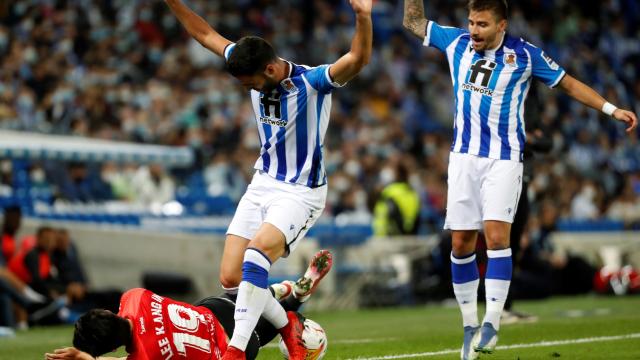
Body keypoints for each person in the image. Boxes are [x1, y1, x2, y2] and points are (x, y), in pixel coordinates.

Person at [402, 0, 638, 358]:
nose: (474, 30)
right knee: (461, 244)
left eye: (482, 24)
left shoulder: (526, 56)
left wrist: (610, 109)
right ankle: (469, 325)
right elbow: (413, 20)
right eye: (470, 22)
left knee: (497, 237)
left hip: (504, 159)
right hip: (463, 157)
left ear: (502, 26)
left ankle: (493, 321)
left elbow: (569, 84)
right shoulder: (455, 42)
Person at [164, 1, 371, 359]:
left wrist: (362, 17)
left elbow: (356, 60)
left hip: (300, 191)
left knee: (256, 257)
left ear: (271, 68)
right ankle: (289, 320)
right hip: (263, 182)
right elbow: (204, 34)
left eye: (254, 83)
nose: (253, 90)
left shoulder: (312, 82)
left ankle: (236, 350)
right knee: (231, 279)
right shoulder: (248, 61)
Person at [45, 250, 332, 360]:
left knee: (267, 329)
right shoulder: (134, 297)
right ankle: (286, 289)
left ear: (112, 347)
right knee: (251, 300)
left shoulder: (144, 355)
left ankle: (294, 297)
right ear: (109, 312)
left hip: (231, 344)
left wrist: (87, 358)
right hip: (213, 308)